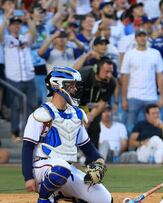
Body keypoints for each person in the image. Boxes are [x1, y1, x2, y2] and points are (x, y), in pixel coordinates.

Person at [21, 66, 111, 202]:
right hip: (41, 167)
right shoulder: (40, 114)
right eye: (71, 85)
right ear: (57, 86)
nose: (75, 89)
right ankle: (45, 197)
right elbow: (27, 147)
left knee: (104, 199)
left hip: (66, 169)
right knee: (61, 168)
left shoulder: (76, 114)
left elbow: (89, 148)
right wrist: (28, 177)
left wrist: (99, 163)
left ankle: (64, 194)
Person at [0, 13, 37, 142]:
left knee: (31, 105)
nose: (16, 26)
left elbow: (34, 34)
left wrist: (30, 20)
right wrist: (5, 19)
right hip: (13, 77)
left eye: (18, 24)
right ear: (9, 26)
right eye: (14, 24)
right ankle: (15, 133)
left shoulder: (25, 37)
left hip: (29, 76)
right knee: (15, 106)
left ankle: (29, 132)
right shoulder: (6, 39)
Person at [121, 29, 163, 131]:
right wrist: (123, 99)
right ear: (136, 38)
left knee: (155, 125)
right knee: (130, 126)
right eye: (140, 36)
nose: (142, 38)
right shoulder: (129, 54)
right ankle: (131, 147)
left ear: (147, 37)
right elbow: (125, 78)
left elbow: (160, 77)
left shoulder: (155, 53)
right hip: (133, 96)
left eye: (144, 35)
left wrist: (162, 97)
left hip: (151, 96)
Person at [78, 56, 116, 148]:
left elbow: (103, 102)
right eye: (107, 71)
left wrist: (90, 116)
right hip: (77, 105)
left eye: (111, 72)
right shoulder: (84, 75)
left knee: (95, 130)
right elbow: (74, 99)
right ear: (97, 69)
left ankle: (92, 159)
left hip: (95, 108)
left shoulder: (112, 82)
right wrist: (84, 115)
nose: (109, 75)